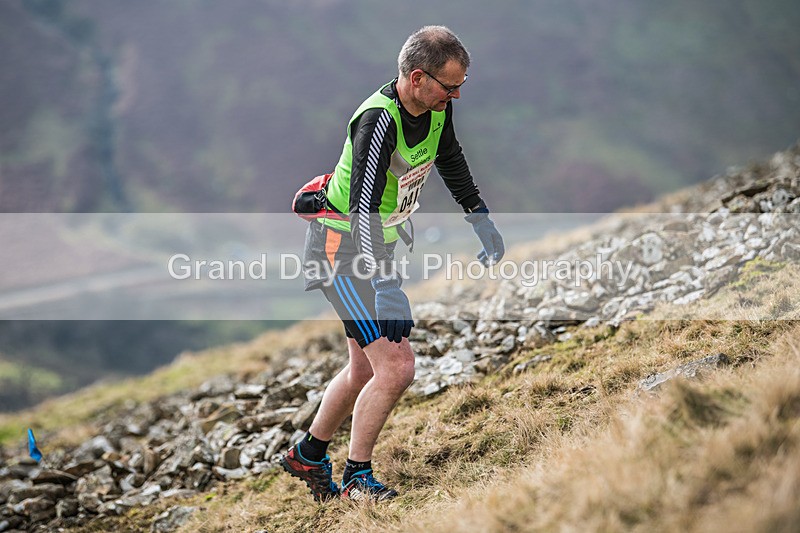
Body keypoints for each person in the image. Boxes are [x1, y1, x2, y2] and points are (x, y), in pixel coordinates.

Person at [281, 25, 504, 502]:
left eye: (462, 84)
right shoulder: (378, 121)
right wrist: (385, 284)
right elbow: (363, 208)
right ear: (418, 78)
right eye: (450, 86)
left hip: (372, 249)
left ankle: (308, 454)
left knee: (364, 370)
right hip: (341, 253)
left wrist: (478, 216)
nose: (458, 95)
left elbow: (450, 159)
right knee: (398, 366)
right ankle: (357, 480)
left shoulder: (435, 108)